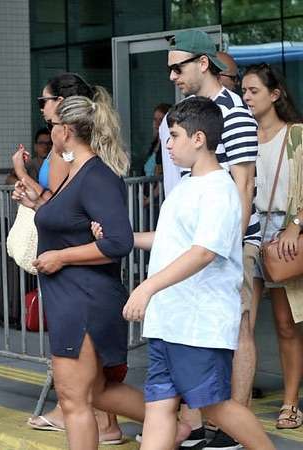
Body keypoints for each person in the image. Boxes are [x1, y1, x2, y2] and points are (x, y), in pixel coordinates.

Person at [124, 97, 274, 450]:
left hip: (197, 323)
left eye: (174, 135)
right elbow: (173, 240)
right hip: (170, 319)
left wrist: (147, 288)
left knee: (214, 407)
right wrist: (125, 239)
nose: (168, 145)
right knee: (158, 406)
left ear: (199, 138)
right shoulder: (188, 185)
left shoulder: (220, 190)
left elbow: (204, 251)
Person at [13, 87, 150, 449]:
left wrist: (61, 257)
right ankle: (174, 419)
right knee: (98, 392)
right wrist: (34, 203)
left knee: (74, 401)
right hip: (74, 298)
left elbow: (117, 241)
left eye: (53, 124)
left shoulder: (96, 176)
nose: (49, 130)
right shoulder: (77, 174)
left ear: (67, 131)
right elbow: (72, 224)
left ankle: (174, 419)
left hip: (83, 300)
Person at [161, 31, 260, 449]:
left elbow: (244, 184)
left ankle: (232, 429)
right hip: (199, 241)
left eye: (178, 66)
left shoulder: (233, 113)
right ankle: (204, 421)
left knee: (237, 329)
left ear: (203, 63)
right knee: (200, 332)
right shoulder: (191, 112)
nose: (172, 76)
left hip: (229, 241)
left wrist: (227, 249)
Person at [242, 63, 303, 429]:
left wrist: (296, 227)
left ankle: (291, 403)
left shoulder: (295, 135)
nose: (247, 98)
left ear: (275, 94)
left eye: (253, 91)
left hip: (284, 235)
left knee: (285, 324)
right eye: (244, 92)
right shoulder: (243, 134)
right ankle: (238, 401)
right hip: (249, 233)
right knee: (242, 322)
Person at [144, 103, 171, 177]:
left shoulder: (169, 146)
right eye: (155, 119)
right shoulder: (154, 144)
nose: (157, 123)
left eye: (161, 120)